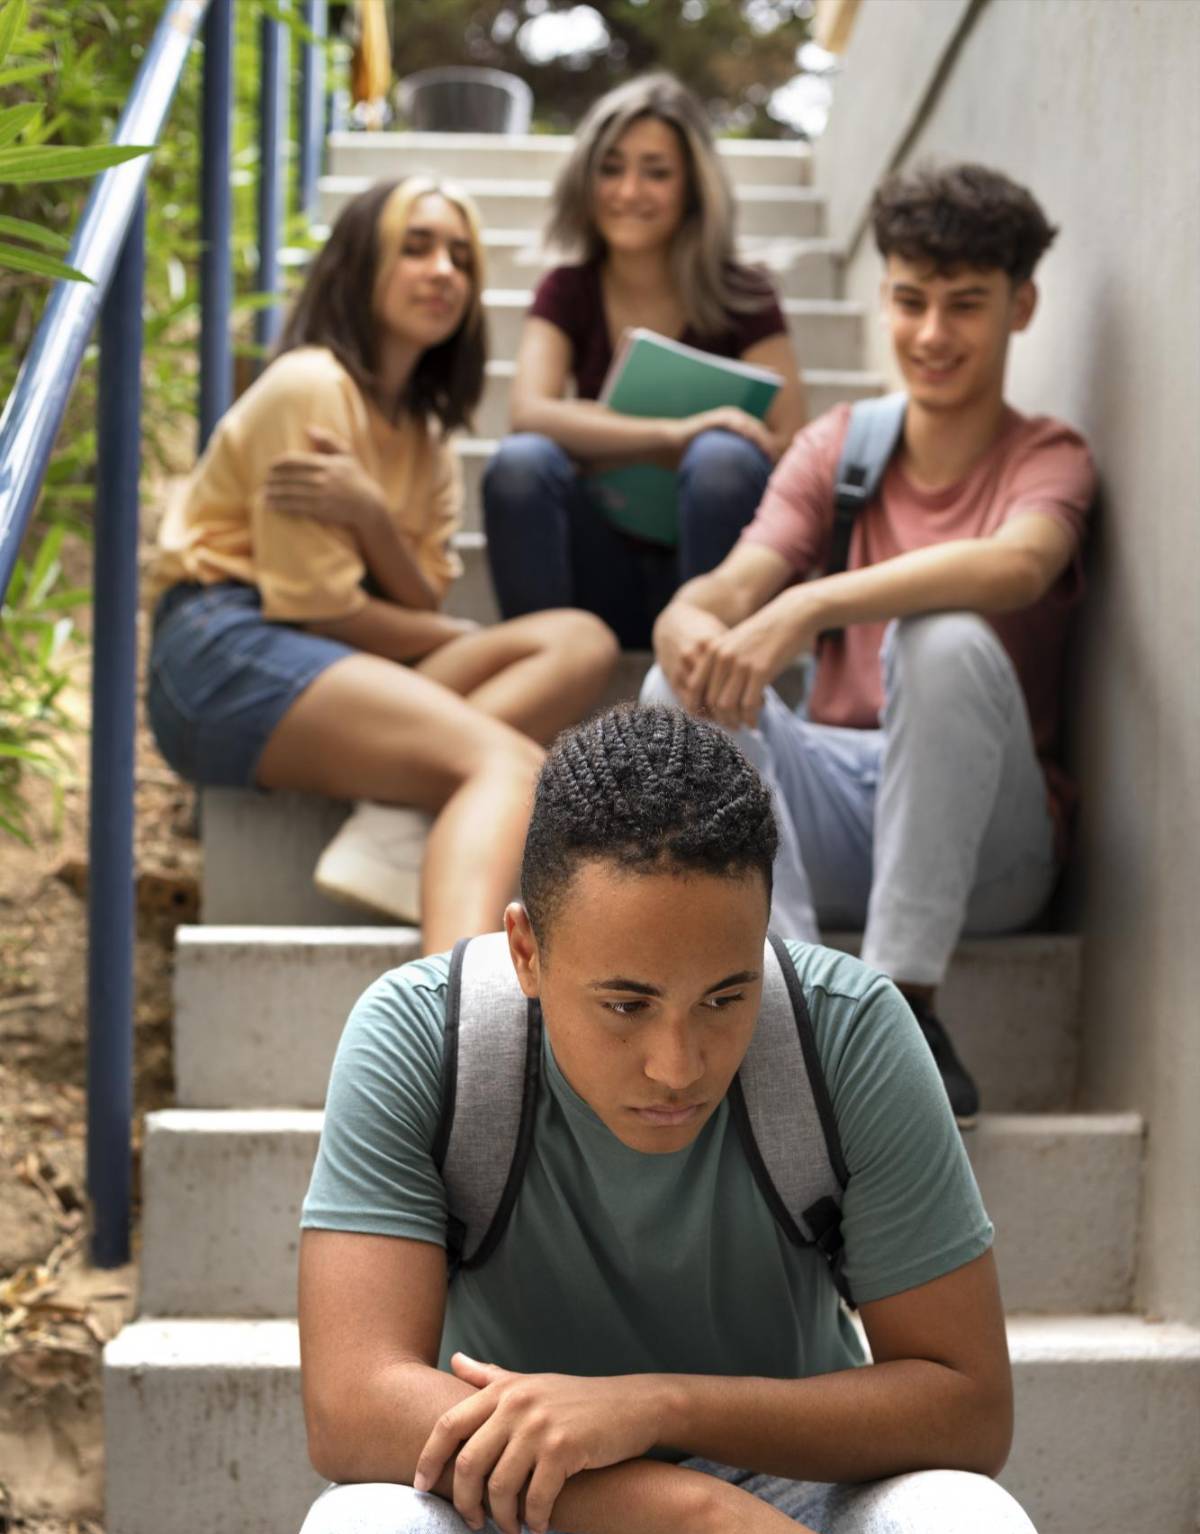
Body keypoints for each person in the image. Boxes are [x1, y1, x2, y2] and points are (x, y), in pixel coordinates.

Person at [269, 704, 1070, 1534]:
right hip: (518, 1521)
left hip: (803, 1515)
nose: (677, 1062)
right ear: (527, 950)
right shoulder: (425, 1037)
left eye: (725, 996)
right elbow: (353, 1406)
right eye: (626, 1004)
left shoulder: (847, 1034)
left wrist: (656, 1406)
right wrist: (702, 1512)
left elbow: (967, 1404)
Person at [647, 162, 1096, 1124]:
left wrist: (810, 609)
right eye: (910, 301)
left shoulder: (1047, 456)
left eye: (965, 305)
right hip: (841, 810)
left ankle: (906, 1007)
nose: (932, 335)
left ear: (1021, 306)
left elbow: (1018, 566)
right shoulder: (842, 445)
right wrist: (684, 624)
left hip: (992, 850)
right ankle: (791, 1003)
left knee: (940, 642)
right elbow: (725, 588)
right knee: (670, 686)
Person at [146, 177, 618, 953]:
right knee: (506, 763)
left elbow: (421, 589)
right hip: (222, 646)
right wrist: (443, 624)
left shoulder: (426, 436)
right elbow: (320, 608)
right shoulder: (309, 386)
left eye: (462, 258)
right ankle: (459, 1038)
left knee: (579, 641)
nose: (444, 272)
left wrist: (369, 513)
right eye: (417, 247)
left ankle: (399, 816)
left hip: (323, 654)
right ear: (359, 265)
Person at [482, 73, 807, 649]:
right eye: (611, 168)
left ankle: (708, 709)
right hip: (598, 573)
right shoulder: (566, 289)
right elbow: (529, 412)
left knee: (724, 458)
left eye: (656, 172)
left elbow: (793, 439)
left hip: (719, 577)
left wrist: (692, 448)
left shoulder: (745, 292)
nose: (629, 191)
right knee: (521, 462)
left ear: (691, 188)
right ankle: (539, 672)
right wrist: (674, 436)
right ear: (586, 181)